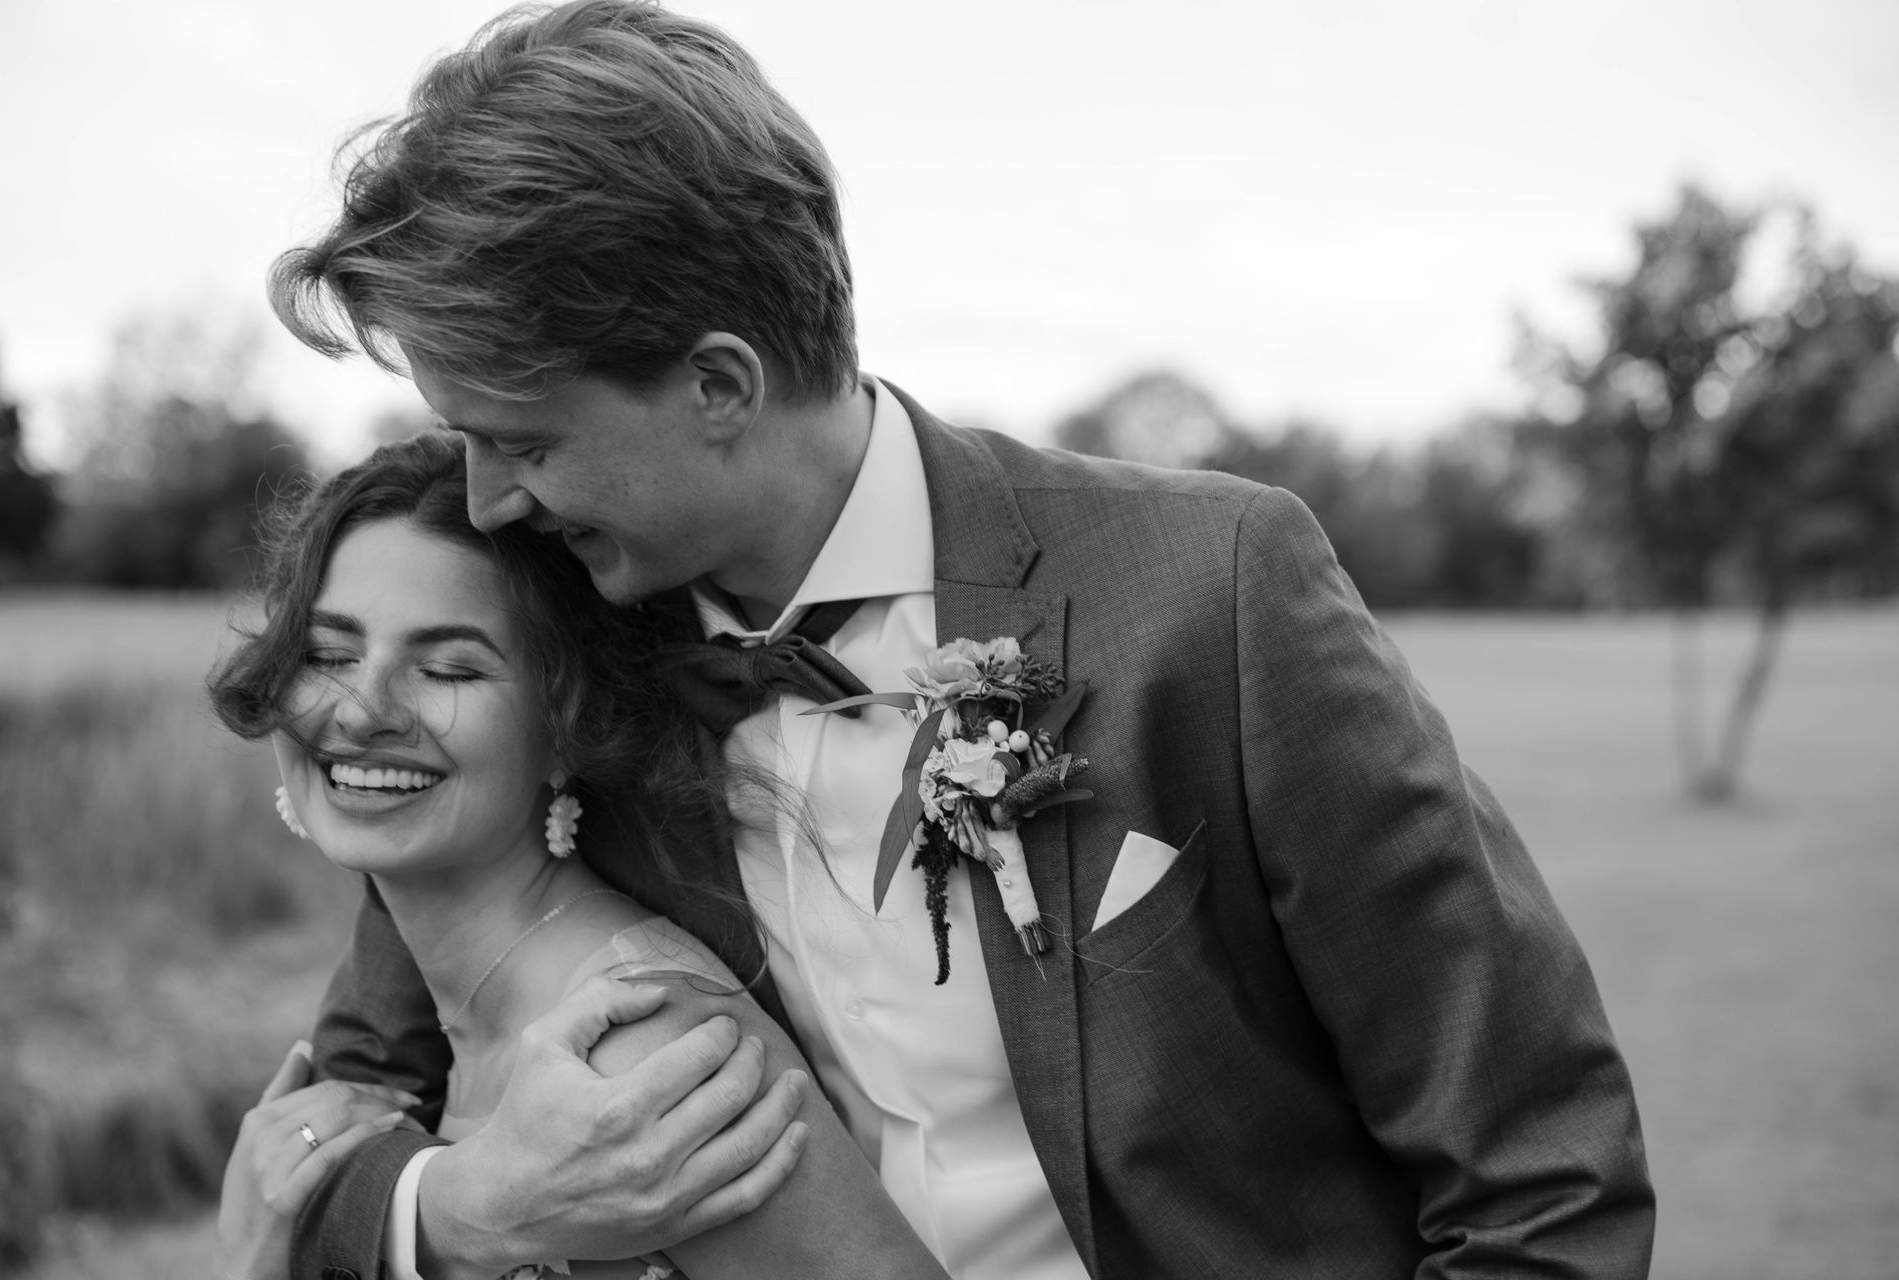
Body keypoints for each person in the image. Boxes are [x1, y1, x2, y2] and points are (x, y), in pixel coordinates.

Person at [268, 2, 1658, 1277]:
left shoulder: (1214, 590)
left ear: (718, 385)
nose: (487, 501)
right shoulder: (550, 648)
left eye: (524, 443)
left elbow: (1540, 1173)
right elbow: (347, 1098)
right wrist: (457, 1211)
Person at [206, 433, 948, 1280]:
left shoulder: (644, 1042)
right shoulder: (439, 1013)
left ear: (567, 717)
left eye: (448, 669)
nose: (362, 710)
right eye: (327, 656)